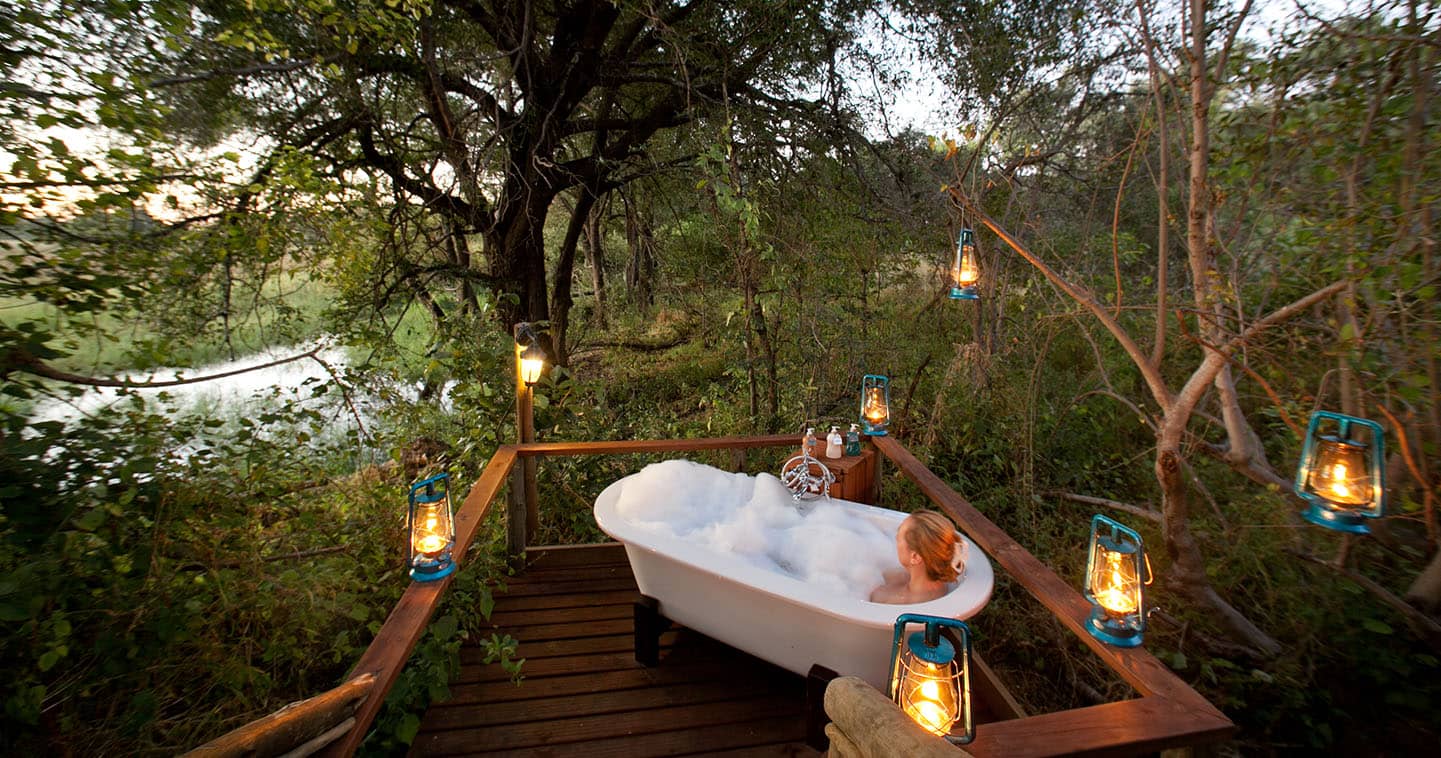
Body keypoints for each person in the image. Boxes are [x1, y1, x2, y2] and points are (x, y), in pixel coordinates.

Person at [870, 510, 961, 604]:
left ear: (915, 557)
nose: (896, 537)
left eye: (899, 536)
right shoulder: (941, 584)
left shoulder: (890, 600)